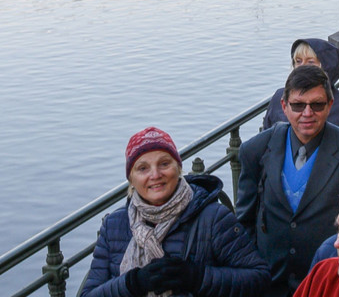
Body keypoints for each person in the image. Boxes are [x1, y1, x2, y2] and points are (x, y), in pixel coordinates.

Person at [81, 127, 271, 297]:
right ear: (131, 179)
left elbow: (258, 278)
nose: (155, 175)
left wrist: (196, 277)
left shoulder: (213, 218)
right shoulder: (114, 225)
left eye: (164, 164)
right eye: (143, 168)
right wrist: (133, 282)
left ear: (178, 168)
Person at [236, 66, 339, 297]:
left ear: (330, 106)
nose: (307, 113)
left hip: (330, 284)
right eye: (298, 105)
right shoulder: (255, 150)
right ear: (284, 107)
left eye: (317, 105)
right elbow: (245, 220)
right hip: (269, 284)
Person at [262, 39, 339, 136]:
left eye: (310, 62)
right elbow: (265, 138)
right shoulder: (279, 97)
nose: (302, 67)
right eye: (298, 61)